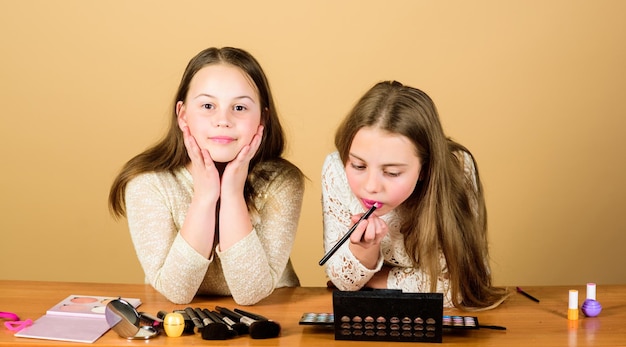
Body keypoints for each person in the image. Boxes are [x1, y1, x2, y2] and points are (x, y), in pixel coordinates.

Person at [109, 47, 304, 305]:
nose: (223, 120)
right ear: (183, 115)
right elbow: (177, 292)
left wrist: (232, 194)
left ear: (263, 118)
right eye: (208, 105)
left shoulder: (282, 181)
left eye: (240, 107)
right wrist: (205, 197)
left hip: (271, 315)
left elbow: (251, 293)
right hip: (183, 321)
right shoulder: (148, 182)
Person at [321, 80, 508, 310]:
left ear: (424, 170)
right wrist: (364, 251)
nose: (371, 187)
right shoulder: (336, 170)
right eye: (359, 166)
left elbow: (462, 287)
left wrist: (377, 279)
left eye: (392, 172)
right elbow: (342, 280)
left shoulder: (457, 169)